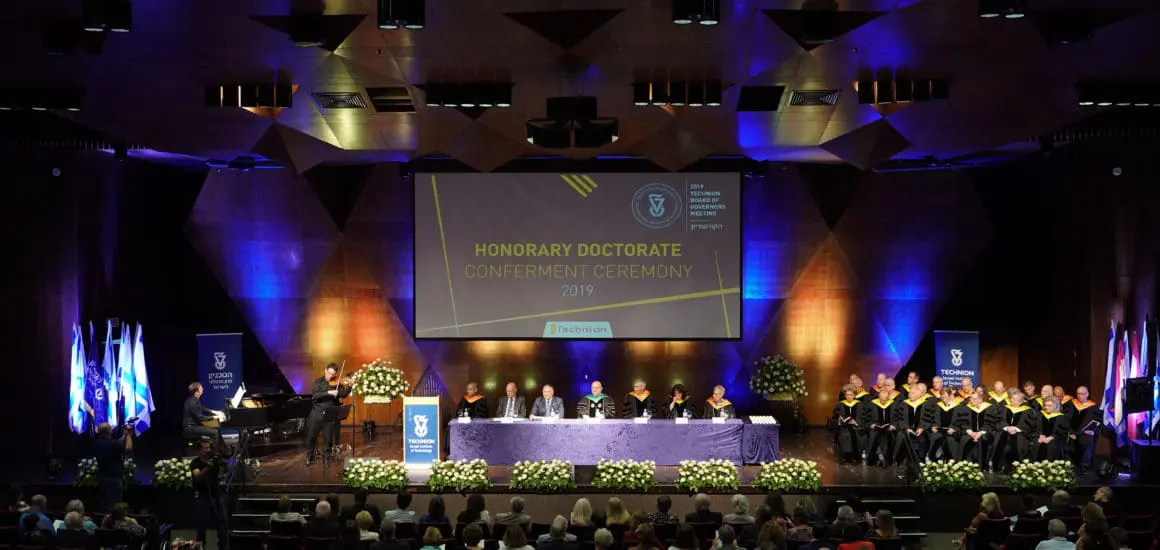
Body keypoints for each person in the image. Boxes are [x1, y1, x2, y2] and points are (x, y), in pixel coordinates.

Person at [306, 363, 352, 466]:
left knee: (328, 439)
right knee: (311, 437)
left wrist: (349, 386)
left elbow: (343, 394)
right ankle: (310, 457)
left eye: (333, 374)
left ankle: (326, 460)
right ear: (325, 370)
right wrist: (329, 392)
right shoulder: (318, 382)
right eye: (329, 373)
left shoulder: (337, 383)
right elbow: (315, 395)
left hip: (329, 415)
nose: (330, 376)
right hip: (316, 414)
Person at [191, 439, 232, 549]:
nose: (208, 450)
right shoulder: (195, 463)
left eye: (209, 447)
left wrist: (222, 463)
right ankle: (200, 546)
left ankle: (223, 545)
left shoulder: (213, 460)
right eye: (205, 448)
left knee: (222, 521)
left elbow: (225, 470)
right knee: (203, 523)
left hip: (217, 494)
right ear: (199, 450)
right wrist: (207, 467)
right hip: (204, 496)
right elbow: (198, 478)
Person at [92, 422, 132, 512]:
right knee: (115, 508)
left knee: (105, 506)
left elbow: (116, 445)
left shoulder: (97, 443)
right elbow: (128, 449)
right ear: (109, 431)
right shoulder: (112, 444)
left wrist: (124, 436)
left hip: (102, 479)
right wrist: (129, 434)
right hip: (114, 480)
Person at [892, 384, 935, 465]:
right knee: (902, 436)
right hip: (906, 428)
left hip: (921, 429)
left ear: (918, 395)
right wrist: (906, 428)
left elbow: (929, 418)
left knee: (923, 438)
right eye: (909, 393)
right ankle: (898, 461)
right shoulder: (903, 404)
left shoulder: (926, 404)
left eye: (912, 393)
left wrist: (922, 428)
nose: (910, 395)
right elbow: (900, 418)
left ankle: (920, 460)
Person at [995, 392, 1039, 471]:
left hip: (1020, 435)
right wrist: (1007, 427)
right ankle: (1000, 466)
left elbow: (1030, 426)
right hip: (1005, 432)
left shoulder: (1028, 411)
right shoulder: (1005, 408)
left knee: (1016, 445)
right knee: (999, 441)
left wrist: (1017, 429)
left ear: (1020, 402)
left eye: (1014, 399)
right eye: (1011, 398)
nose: (1011, 400)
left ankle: (1017, 468)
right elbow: (999, 421)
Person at [1065, 386, 1101, 473]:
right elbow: (1064, 419)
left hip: (1084, 433)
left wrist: (1093, 431)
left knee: (1087, 440)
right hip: (1070, 432)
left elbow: (1098, 422)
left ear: (1087, 394)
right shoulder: (1070, 404)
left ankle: (1084, 466)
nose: (1081, 396)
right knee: (1063, 440)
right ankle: (1068, 465)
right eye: (1079, 393)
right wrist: (1069, 432)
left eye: (1083, 393)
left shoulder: (1093, 406)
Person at [831, 386, 865, 463]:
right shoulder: (840, 404)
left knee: (856, 435)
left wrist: (856, 422)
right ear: (845, 395)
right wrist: (839, 421)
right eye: (847, 395)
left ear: (854, 395)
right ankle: (844, 457)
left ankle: (855, 457)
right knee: (844, 435)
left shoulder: (860, 405)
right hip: (844, 427)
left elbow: (864, 418)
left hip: (856, 427)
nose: (849, 396)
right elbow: (834, 417)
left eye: (851, 394)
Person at [865, 387, 897, 467]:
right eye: (881, 399)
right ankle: (878, 458)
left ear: (888, 397)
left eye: (885, 399)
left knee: (889, 438)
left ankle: (885, 458)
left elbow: (897, 417)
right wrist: (871, 424)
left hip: (888, 427)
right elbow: (866, 416)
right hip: (875, 427)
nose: (883, 401)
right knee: (874, 437)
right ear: (878, 397)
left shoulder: (893, 404)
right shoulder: (872, 404)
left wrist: (893, 425)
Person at [929, 387, 963, 461]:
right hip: (940, 430)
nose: (943, 397)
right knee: (933, 436)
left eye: (945, 395)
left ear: (950, 395)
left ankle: (952, 462)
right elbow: (934, 420)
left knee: (950, 439)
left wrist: (954, 429)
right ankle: (934, 461)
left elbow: (961, 422)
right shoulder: (938, 406)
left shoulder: (958, 407)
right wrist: (934, 426)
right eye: (941, 395)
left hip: (952, 432)